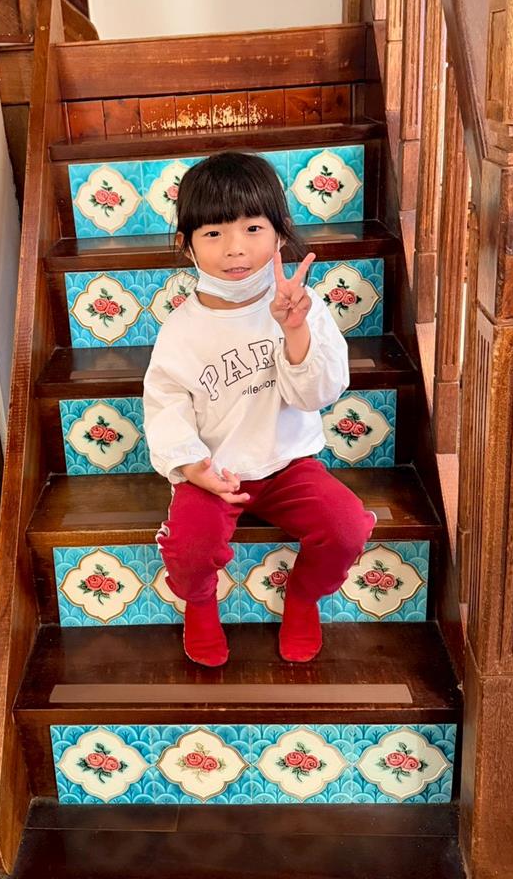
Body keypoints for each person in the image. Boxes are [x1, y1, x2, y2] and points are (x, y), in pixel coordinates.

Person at [142, 151, 378, 667]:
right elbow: (165, 404)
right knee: (189, 548)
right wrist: (192, 466)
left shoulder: (302, 306)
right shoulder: (181, 329)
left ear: (279, 233)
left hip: (289, 466)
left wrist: (295, 331)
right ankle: (199, 605)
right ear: (186, 245)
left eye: (252, 228)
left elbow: (317, 394)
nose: (236, 248)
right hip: (213, 472)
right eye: (213, 234)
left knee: (346, 527)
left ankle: (303, 596)